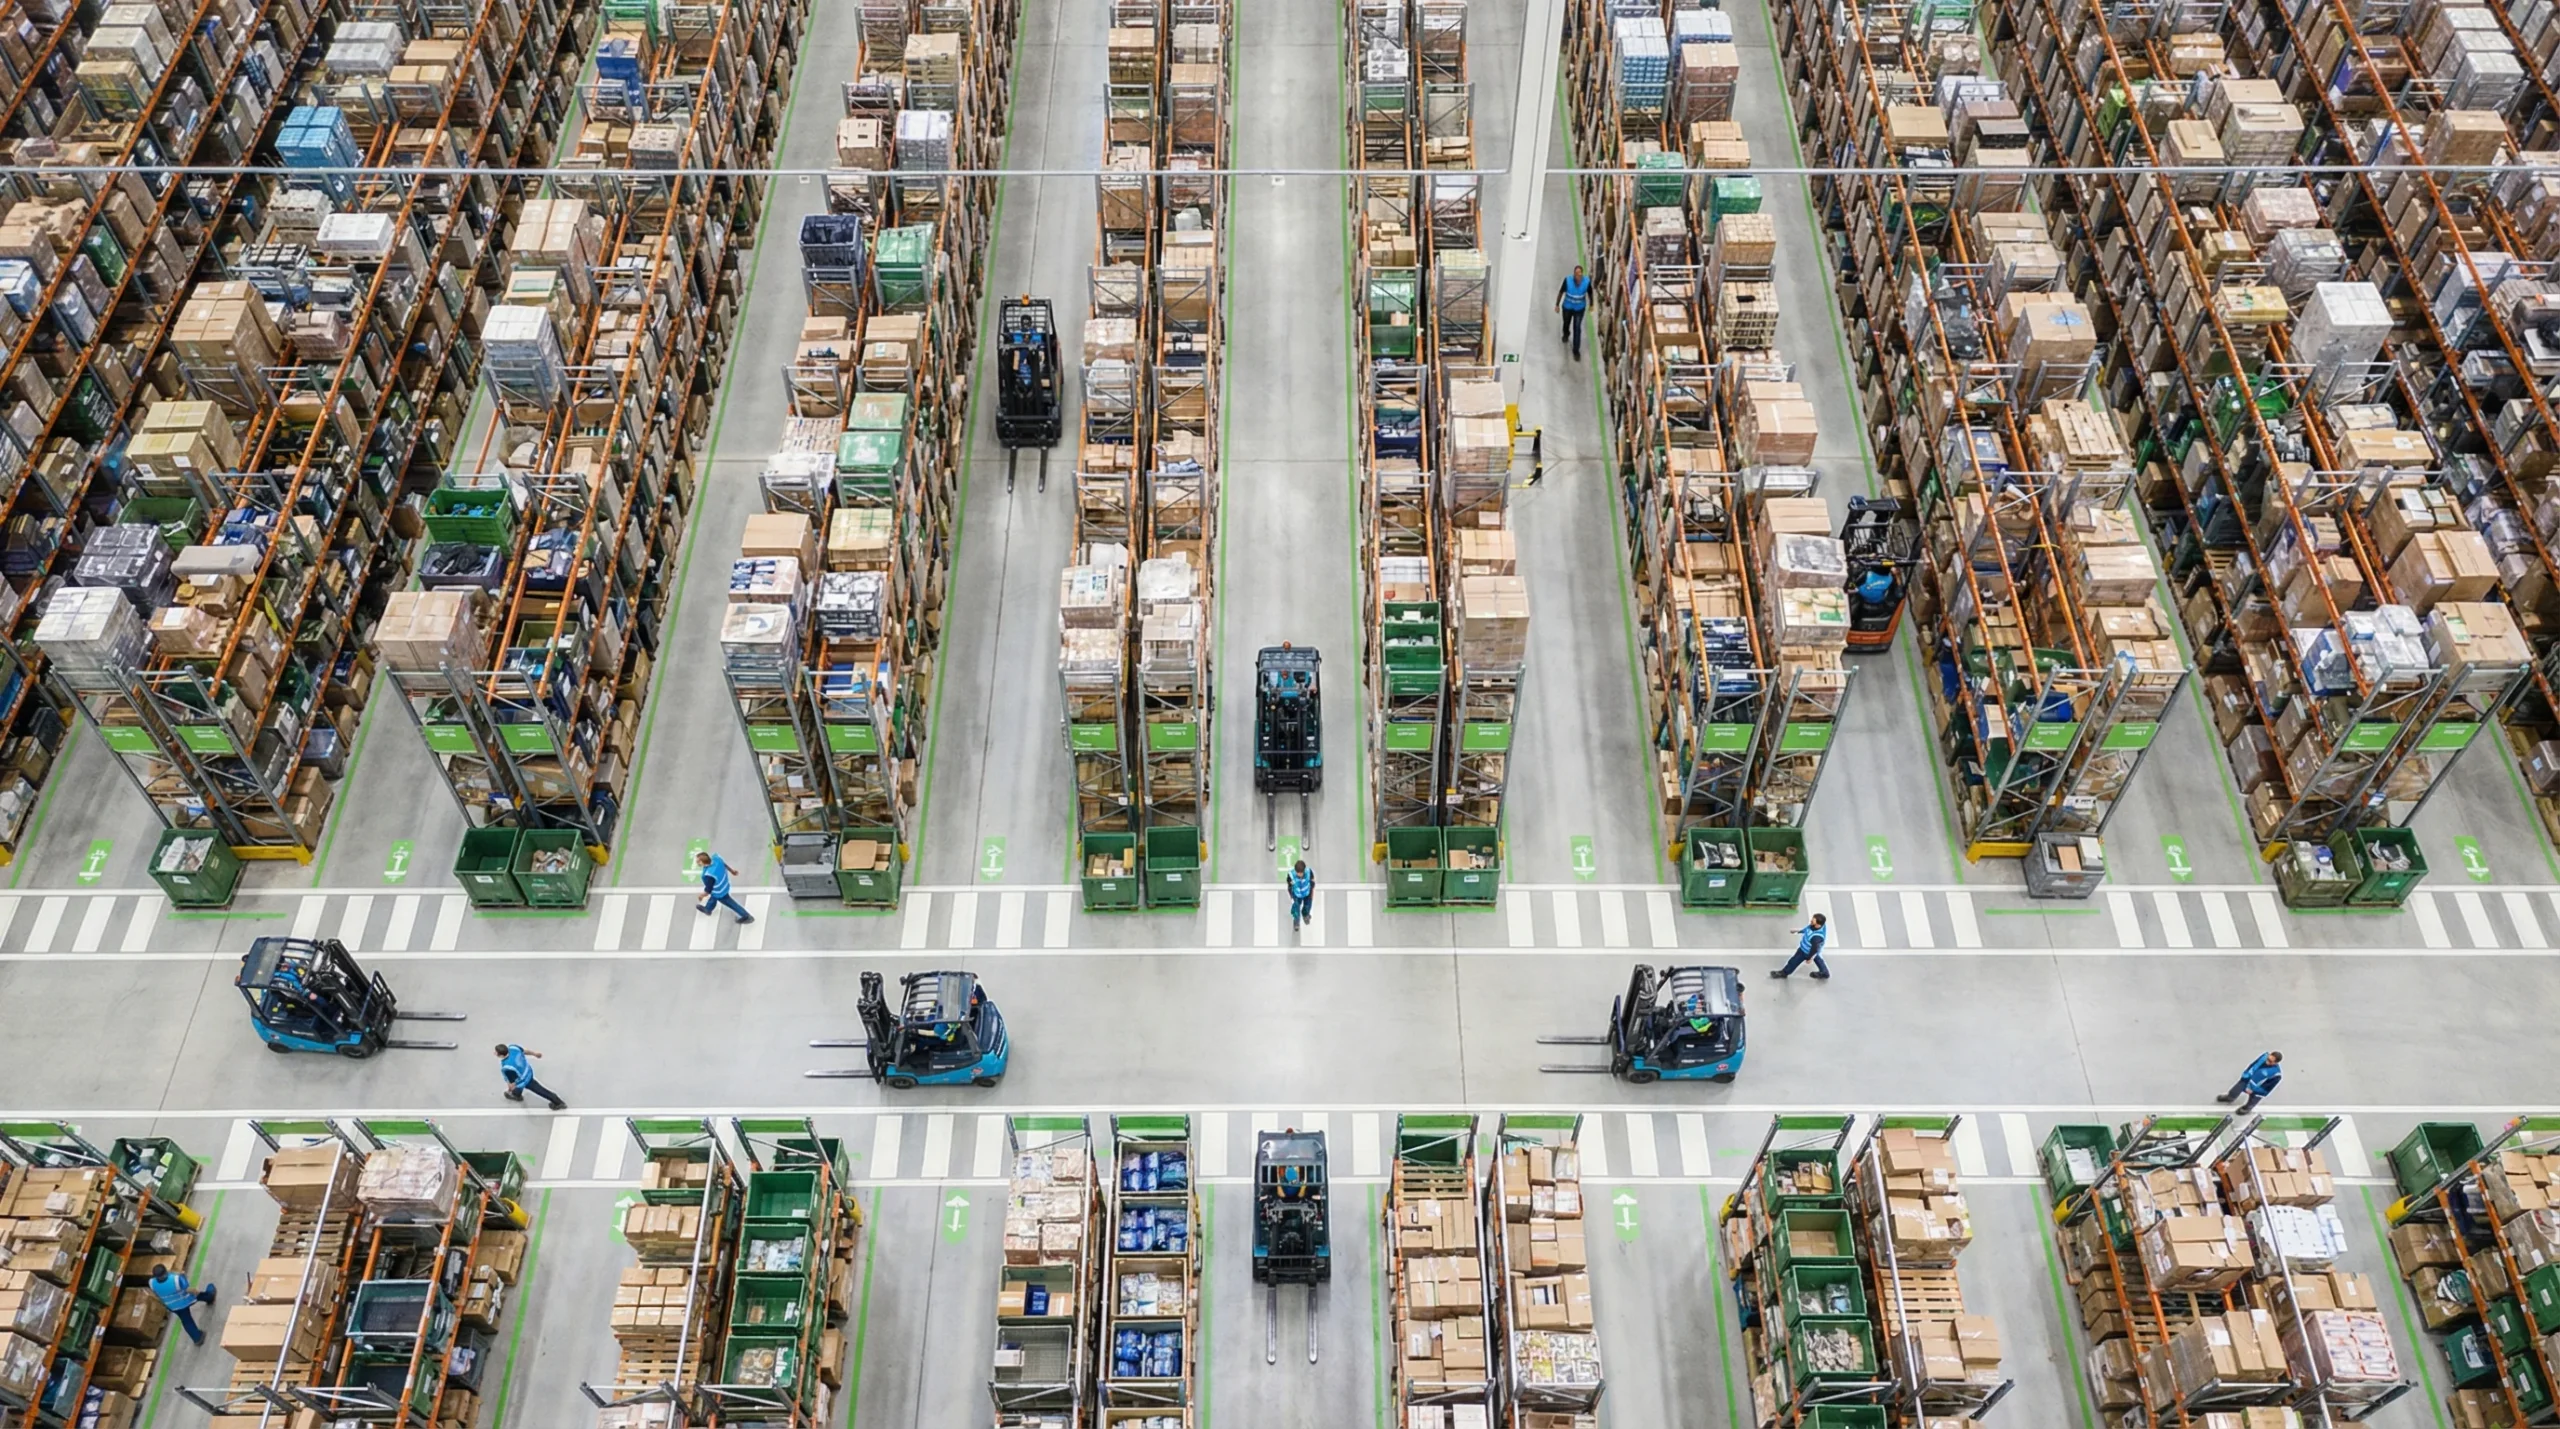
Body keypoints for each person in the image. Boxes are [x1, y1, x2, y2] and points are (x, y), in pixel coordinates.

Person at [149, 1264, 215, 1344]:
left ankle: (197, 1338)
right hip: (184, 1300)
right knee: (197, 1296)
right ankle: (210, 1297)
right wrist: (196, 1291)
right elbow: (188, 1289)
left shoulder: (152, 1283)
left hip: (172, 1306)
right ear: (166, 1271)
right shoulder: (176, 1279)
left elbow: (156, 1294)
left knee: (186, 1320)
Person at [494, 1043, 567, 1111]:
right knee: (518, 1087)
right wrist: (535, 1054)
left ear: (501, 1055)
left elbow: (512, 1083)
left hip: (525, 1080)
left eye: (496, 1052)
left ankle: (557, 1101)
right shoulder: (513, 1048)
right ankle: (516, 1094)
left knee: (539, 1089)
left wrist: (510, 1088)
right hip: (527, 1071)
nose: (494, 1053)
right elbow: (524, 1051)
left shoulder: (507, 1067)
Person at [695, 849, 754, 925]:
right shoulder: (716, 859)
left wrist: (701, 896)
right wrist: (732, 871)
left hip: (720, 892)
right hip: (723, 885)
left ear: (703, 862)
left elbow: (708, 890)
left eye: (698, 861)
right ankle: (708, 909)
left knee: (731, 903)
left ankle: (746, 916)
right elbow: (724, 864)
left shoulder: (709, 875)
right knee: (713, 898)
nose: (697, 863)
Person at [2215, 1050, 2283, 1112]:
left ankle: (2247, 1108)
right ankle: (2230, 1097)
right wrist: (2246, 1073)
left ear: (2276, 1062)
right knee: (2235, 1090)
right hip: (2248, 1078)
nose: (2267, 1062)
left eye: (2270, 1061)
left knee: (2253, 1100)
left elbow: (2267, 1088)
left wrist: (2254, 1090)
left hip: (2256, 1088)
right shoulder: (2264, 1057)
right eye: (2268, 1059)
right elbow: (2254, 1064)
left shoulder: (2276, 1074)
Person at [1771, 913, 1830, 980]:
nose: (1811, 921)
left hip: (1806, 951)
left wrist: (1809, 958)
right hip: (1811, 950)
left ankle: (1784, 973)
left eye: (1813, 921)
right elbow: (1808, 929)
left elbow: (1814, 949)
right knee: (1818, 960)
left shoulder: (1816, 937)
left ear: (1818, 924)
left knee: (1794, 961)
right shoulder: (1816, 926)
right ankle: (1824, 972)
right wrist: (1798, 931)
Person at [1556, 265, 1593, 361]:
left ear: (1582, 275)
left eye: (1580, 274)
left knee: (1577, 328)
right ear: (1574, 274)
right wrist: (1557, 305)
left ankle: (1576, 350)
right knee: (1566, 323)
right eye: (1576, 274)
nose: (1578, 276)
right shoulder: (1567, 281)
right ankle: (1566, 333)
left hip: (1579, 309)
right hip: (1567, 307)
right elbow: (1561, 292)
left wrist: (1591, 304)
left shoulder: (1586, 282)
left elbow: (1590, 293)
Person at [1287, 859, 1315, 933]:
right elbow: (1289, 886)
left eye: (1301, 873)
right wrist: (1292, 896)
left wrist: (1311, 891)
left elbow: (1312, 881)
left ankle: (1305, 915)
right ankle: (1296, 921)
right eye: (1298, 873)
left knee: (1307, 906)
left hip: (1307, 894)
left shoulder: (1309, 872)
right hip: (1296, 895)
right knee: (1296, 909)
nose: (1299, 875)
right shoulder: (1291, 875)